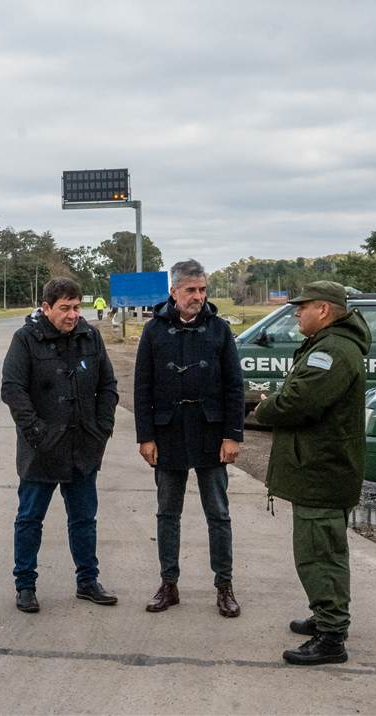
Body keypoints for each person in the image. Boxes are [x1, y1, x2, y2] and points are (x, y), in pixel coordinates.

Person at [254, 281, 371, 666]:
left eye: (301, 307)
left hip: (323, 470)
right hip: (321, 467)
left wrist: (266, 408)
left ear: (323, 309)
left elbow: (300, 401)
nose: (296, 313)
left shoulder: (334, 349)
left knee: (320, 554)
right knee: (320, 550)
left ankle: (332, 636)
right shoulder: (330, 344)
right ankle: (326, 616)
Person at [1, 277, 119, 613]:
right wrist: (36, 432)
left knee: (84, 518)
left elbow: (108, 386)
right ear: (46, 308)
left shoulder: (90, 336)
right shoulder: (25, 339)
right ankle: (25, 585)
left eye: (76, 307)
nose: (72, 315)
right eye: (64, 308)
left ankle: (88, 581)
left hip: (83, 447)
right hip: (41, 451)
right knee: (29, 519)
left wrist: (102, 427)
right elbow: (12, 390)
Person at [134, 259, 244, 618]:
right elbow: (142, 387)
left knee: (218, 514)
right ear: (174, 292)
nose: (198, 296)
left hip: (212, 434)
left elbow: (234, 387)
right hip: (168, 435)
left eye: (202, 290)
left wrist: (232, 435)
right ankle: (169, 583)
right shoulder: (154, 331)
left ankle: (224, 585)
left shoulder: (219, 330)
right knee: (168, 513)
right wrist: (145, 436)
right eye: (191, 290)